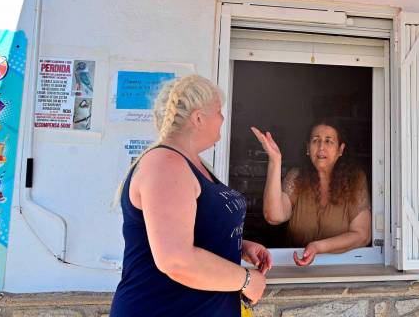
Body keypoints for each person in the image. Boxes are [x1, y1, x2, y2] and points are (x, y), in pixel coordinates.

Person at [111, 75, 272, 317]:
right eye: (218, 111)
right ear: (198, 117)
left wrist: (237, 245)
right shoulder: (165, 164)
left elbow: (191, 230)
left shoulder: (193, 164)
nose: (223, 119)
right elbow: (176, 260)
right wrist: (248, 280)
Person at [251, 119, 372, 266]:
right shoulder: (296, 177)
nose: (321, 146)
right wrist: (275, 160)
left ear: (340, 149)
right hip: (295, 268)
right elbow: (274, 216)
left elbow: (362, 235)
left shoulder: (355, 180)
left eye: (329, 141)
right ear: (308, 148)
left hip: (341, 269)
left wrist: (318, 247)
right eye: (315, 140)